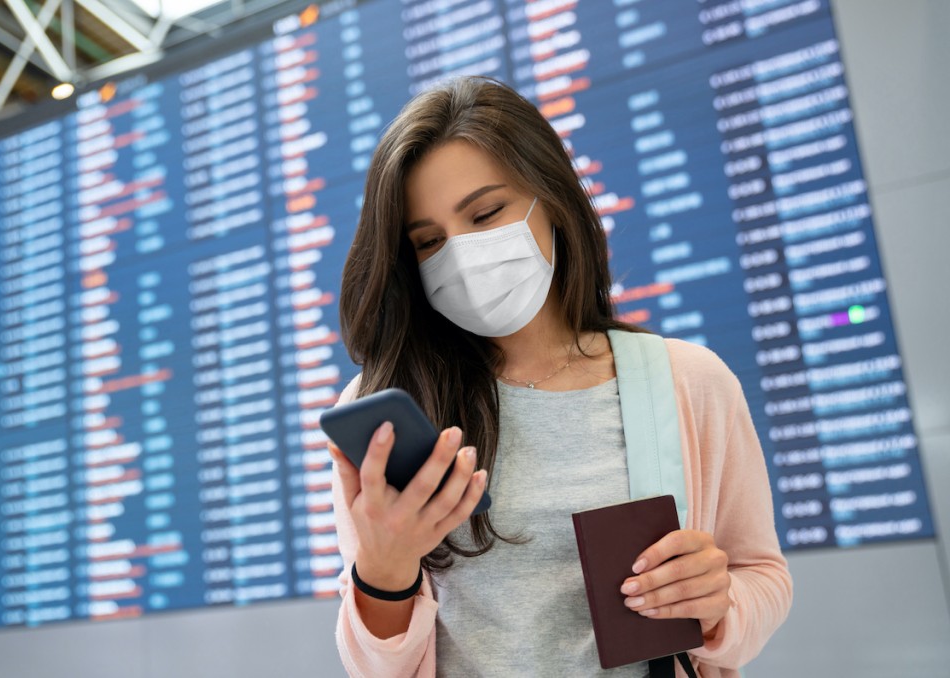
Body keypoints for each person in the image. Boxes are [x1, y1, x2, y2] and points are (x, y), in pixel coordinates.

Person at [327, 76, 792, 677]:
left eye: (487, 212)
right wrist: (383, 572)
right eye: (429, 241)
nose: (462, 254)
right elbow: (374, 667)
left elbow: (762, 576)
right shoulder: (393, 412)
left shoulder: (691, 382)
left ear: (552, 197)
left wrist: (717, 601)